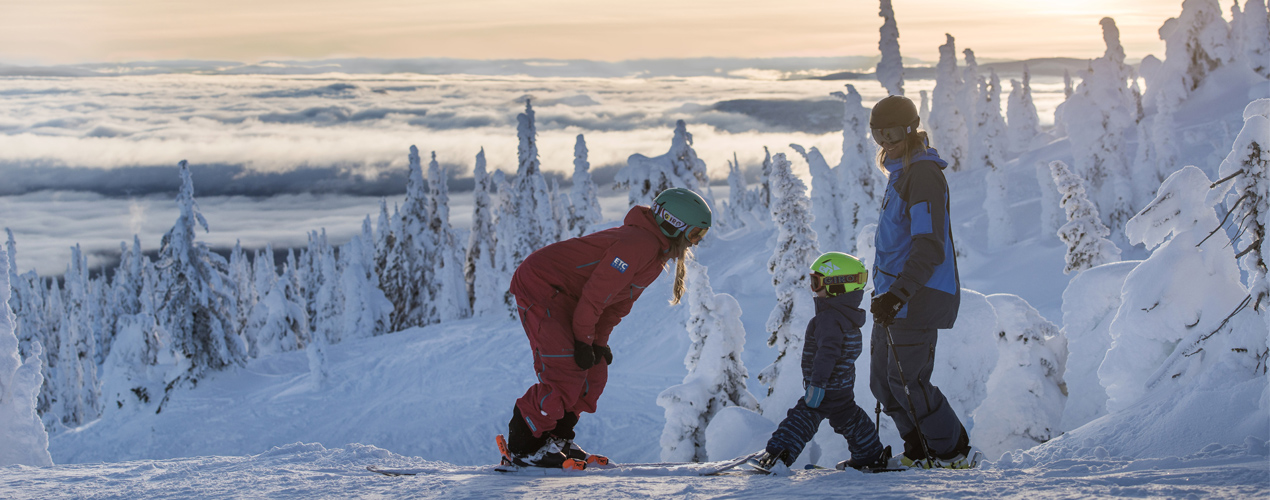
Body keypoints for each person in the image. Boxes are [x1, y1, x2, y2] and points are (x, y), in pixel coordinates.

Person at [503, 187, 712, 468]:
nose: (695, 243)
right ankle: (524, 447)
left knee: (594, 373)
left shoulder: (656, 256)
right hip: (542, 286)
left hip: (571, 297)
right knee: (564, 370)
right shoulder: (639, 244)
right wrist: (582, 340)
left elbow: (615, 306)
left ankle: (557, 437)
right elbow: (596, 295)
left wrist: (596, 342)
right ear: (675, 224)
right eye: (695, 234)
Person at [867, 95, 974, 469]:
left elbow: (929, 246)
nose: (885, 142)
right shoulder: (901, 173)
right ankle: (919, 449)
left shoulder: (923, 175)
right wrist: (884, 291)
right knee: (883, 382)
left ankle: (953, 451)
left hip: (916, 296)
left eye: (892, 133)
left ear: (911, 130)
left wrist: (897, 294)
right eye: (878, 134)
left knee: (907, 380)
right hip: (894, 295)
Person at [756, 252, 889, 472]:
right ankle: (870, 455)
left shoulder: (829, 318)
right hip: (842, 388)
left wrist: (817, 384)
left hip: (825, 387)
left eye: (817, 283)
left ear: (838, 285)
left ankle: (777, 456)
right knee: (850, 418)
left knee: (803, 416)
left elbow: (828, 353)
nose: (813, 289)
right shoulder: (847, 316)